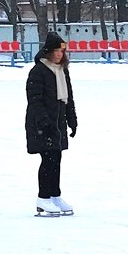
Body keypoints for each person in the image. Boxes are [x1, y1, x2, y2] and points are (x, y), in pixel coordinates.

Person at [25, 32, 78, 216]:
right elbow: (35, 100)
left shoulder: (63, 71)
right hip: (42, 124)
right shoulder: (38, 71)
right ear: (48, 51)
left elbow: (68, 98)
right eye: (56, 51)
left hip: (58, 122)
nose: (59, 55)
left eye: (61, 52)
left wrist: (72, 120)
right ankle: (43, 199)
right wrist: (45, 123)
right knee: (48, 159)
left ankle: (54, 195)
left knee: (56, 159)